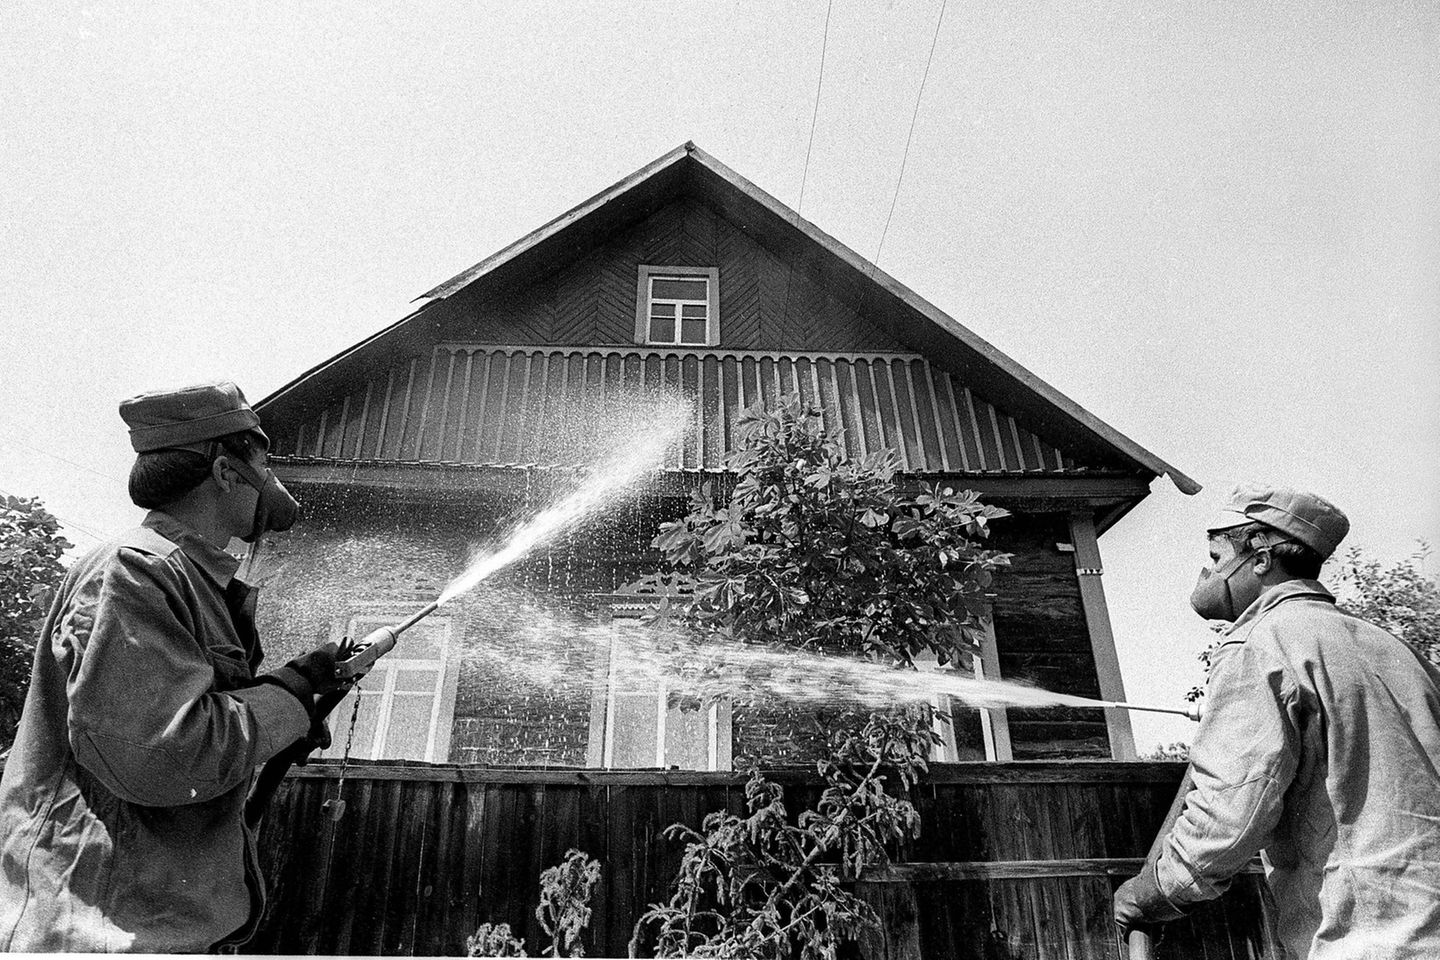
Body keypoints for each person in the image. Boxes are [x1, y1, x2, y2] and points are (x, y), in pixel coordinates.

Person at [0, 382, 354, 952]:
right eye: (263, 462)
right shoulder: (135, 571)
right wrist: (287, 697)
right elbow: (162, 753)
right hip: (94, 930)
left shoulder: (194, 583)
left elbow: (200, 726)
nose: (271, 480)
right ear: (225, 471)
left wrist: (290, 708)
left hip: (148, 923)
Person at [1114, 483, 1440, 958]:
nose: (1207, 572)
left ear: (1261, 559)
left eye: (1215, 557)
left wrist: (1153, 892)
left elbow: (1229, 817)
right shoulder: (1394, 648)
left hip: (1369, 941)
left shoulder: (1261, 644)